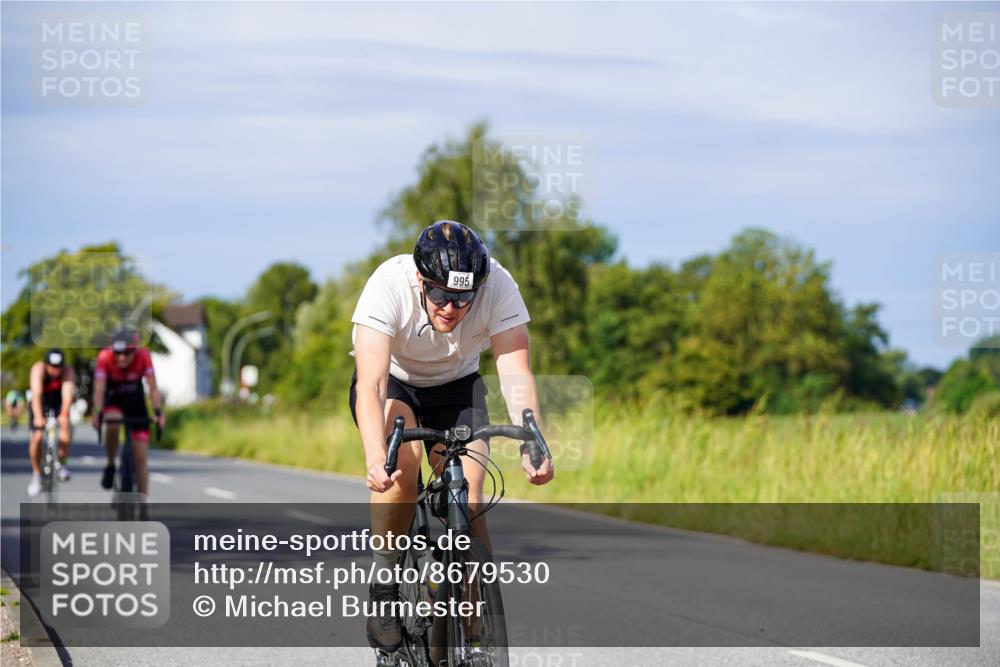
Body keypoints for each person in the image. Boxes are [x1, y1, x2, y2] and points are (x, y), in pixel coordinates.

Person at [350, 220, 555, 652]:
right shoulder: (388, 284)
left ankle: (472, 613)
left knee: (471, 495)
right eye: (440, 294)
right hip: (396, 383)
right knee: (401, 468)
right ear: (420, 281)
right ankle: (385, 586)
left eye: (462, 298)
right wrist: (374, 456)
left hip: (457, 386)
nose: (450, 307)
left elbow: (515, 370)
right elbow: (371, 384)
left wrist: (531, 439)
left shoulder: (499, 285)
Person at [90, 330, 165, 497]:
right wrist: (97, 412)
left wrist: (158, 412)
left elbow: (153, 388)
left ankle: (144, 506)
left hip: (135, 401)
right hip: (113, 399)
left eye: (127, 353)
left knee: (141, 457)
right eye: (117, 353)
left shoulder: (144, 356)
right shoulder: (104, 357)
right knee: (112, 421)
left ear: (135, 350)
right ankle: (110, 464)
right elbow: (99, 389)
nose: (122, 357)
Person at [27, 349, 77, 497]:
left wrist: (63, 414)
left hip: (59, 402)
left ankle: (61, 463)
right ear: (46, 364)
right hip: (40, 403)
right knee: (36, 438)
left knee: (66, 433)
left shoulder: (67, 371)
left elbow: (67, 395)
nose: (56, 370)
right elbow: (36, 395)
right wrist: (38, 417)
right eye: (52, 366)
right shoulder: (38, 369)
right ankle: (36, 474)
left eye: (59, 367)